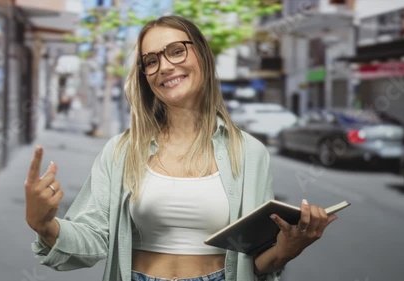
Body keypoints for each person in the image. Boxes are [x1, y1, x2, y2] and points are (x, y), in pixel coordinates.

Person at [25, 15, 338, 281]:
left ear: (201, 55)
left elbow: (252, 262)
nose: (164, 66)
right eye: (151, 60)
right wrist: (46, 225)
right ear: (145, 75)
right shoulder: (121, 150)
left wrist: (286, 249)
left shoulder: (250, 153)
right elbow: (92, 240)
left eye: (176, 51)